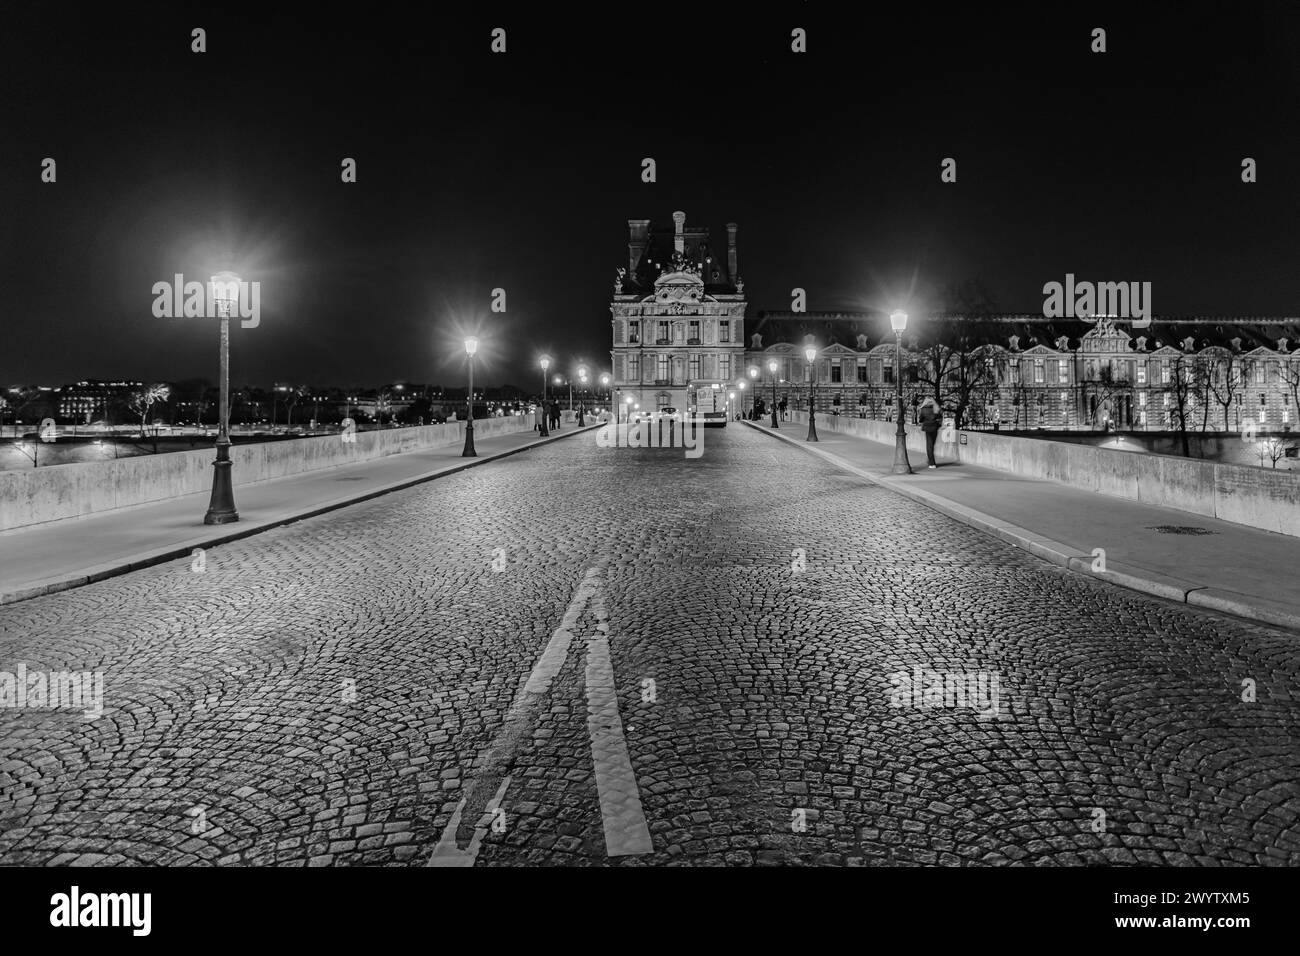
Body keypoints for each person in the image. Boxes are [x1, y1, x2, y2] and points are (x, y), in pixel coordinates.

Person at [918, 397, 941, 469]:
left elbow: (920, 420)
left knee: (929, 446)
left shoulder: (923, 409)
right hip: (935, 428)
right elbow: (939, 417)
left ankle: (932, 463)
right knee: (932, 445)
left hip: (927, 428)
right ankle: (930, 459)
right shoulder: (936, 408)